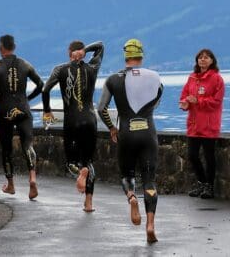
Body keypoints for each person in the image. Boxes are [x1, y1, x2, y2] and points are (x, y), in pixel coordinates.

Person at [97, 38, 163, 244]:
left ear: (125, 56)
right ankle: (150, 224)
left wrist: (112, 128)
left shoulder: (113, 79)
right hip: (148, 132)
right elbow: (157, 101)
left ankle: (132, 198)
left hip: (125, 132)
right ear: (141, 55)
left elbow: (101, 109)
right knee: (149, 179)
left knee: (127, 174)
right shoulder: (155, 77)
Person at [42, 40, 104, 212]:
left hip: (72, 122)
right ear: (82, 52)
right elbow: (100, 46)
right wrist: (86, 50)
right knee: (88, 161)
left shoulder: (60, 69)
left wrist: (47, 111)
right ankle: (89, 202)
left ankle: (80, 171)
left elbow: (45, 90)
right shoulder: (92, 67)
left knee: (71, 162)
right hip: (90, 120)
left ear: (68, 52)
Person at [0, 34, 44, 199]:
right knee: (27, 144)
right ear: (14, 46)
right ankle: (32, 178)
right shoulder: (25, 64)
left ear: (1, 48)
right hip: (23, 108)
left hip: (5, 110)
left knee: (6, 148)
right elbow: (40, 85)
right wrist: (29, 98)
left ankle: (10, 185)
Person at [179, 48, 224, 199]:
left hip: (209, 124)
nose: (203, 60)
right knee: (192, 155)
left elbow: (216, 102)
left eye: (206, 57)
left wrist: (198, 101)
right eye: (200, 57)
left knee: (209, 156)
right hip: (194, 124)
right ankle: (201, 183)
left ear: (212, 61)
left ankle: (209, 187)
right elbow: (185, 95)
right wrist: (185, 103)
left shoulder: (216, 79)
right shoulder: (192, 78)